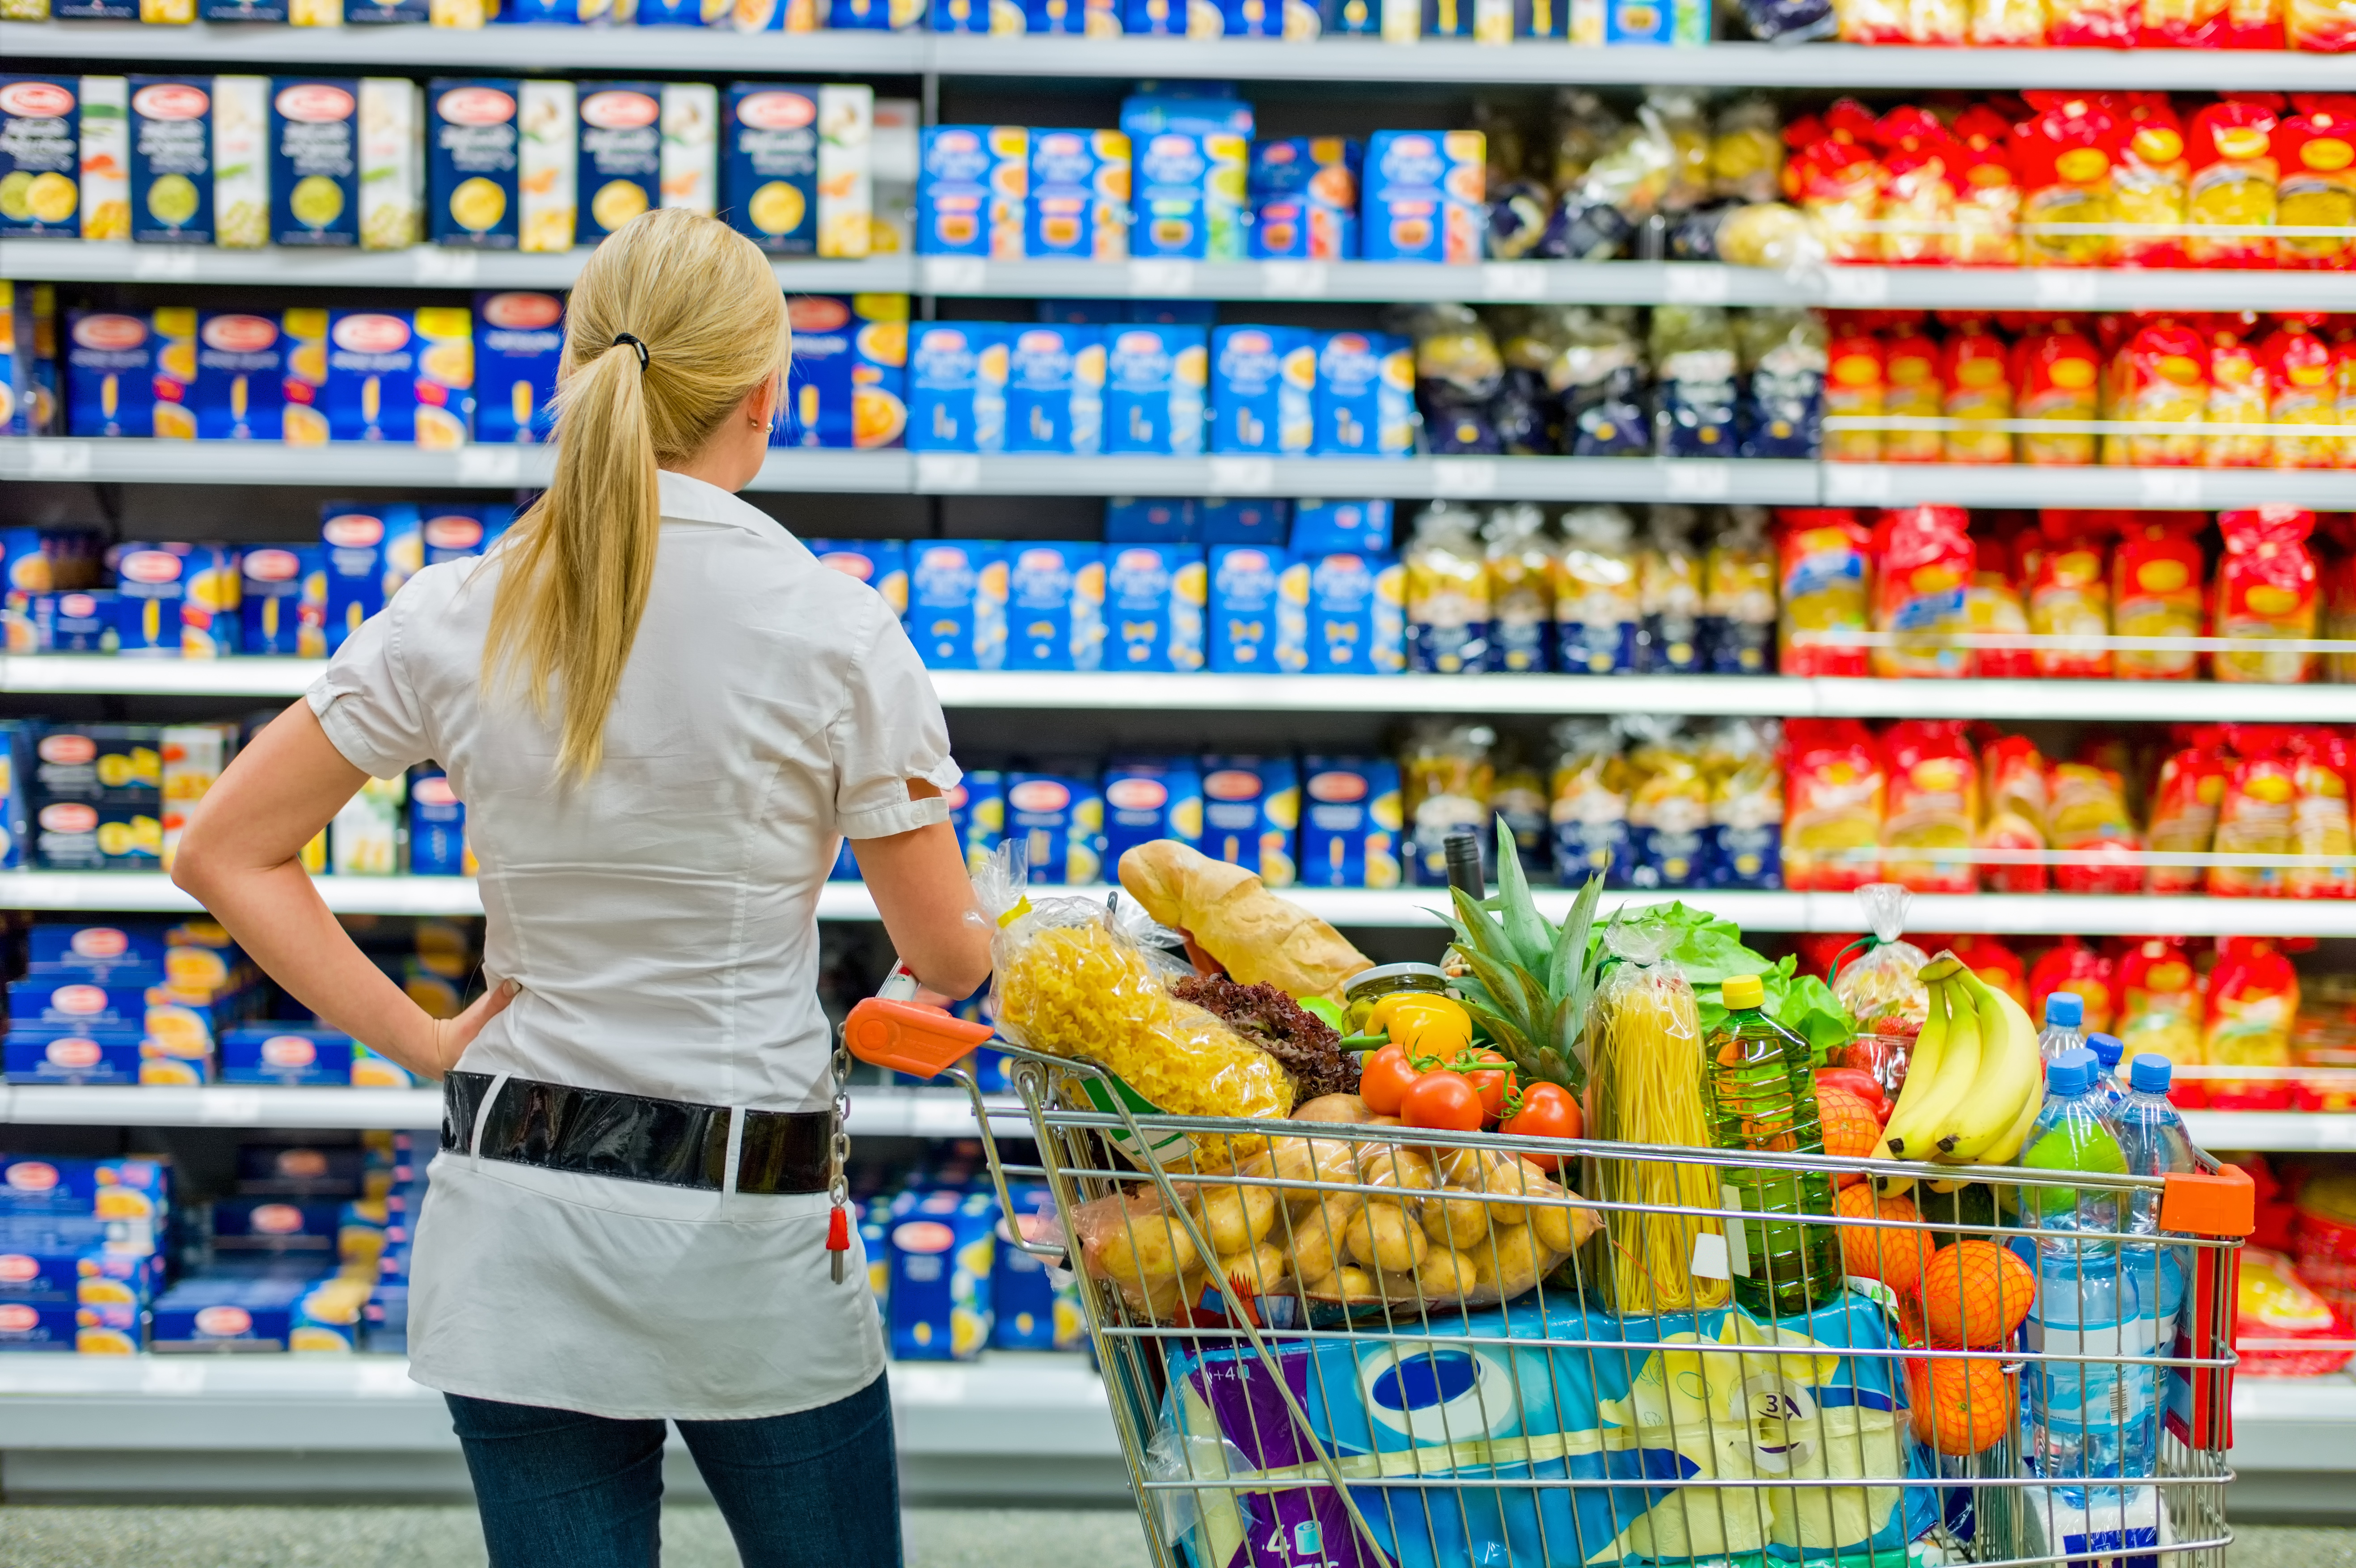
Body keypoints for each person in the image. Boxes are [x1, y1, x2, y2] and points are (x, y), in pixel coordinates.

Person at [172, 207, 993, 1568]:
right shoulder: (837, 630)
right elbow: (945, 956)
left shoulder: (459, 607)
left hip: (516, 1221)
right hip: (750, 1226)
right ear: (762, 398)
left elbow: (221, 847)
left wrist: (425, 1038)